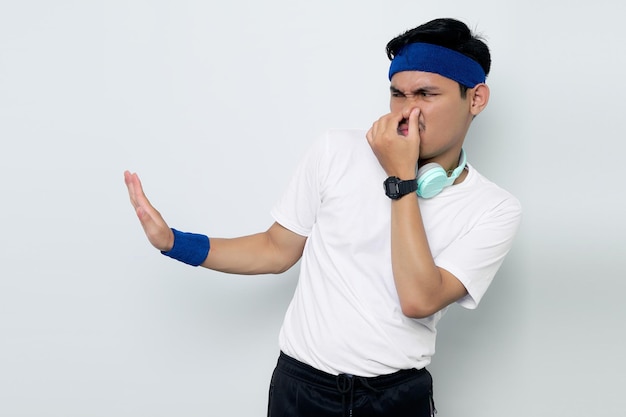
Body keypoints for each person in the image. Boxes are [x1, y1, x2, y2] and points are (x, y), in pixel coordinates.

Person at [124, 17, 521, 417]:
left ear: (476, 99)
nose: (406, 112)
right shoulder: (336, 151)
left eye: (425, 94)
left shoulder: (494, 208)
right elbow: (275, 250)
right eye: (397, 94)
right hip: (302, 390)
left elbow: (419, 299)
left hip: (397, 398)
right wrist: (174, 242)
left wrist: (401, 179)